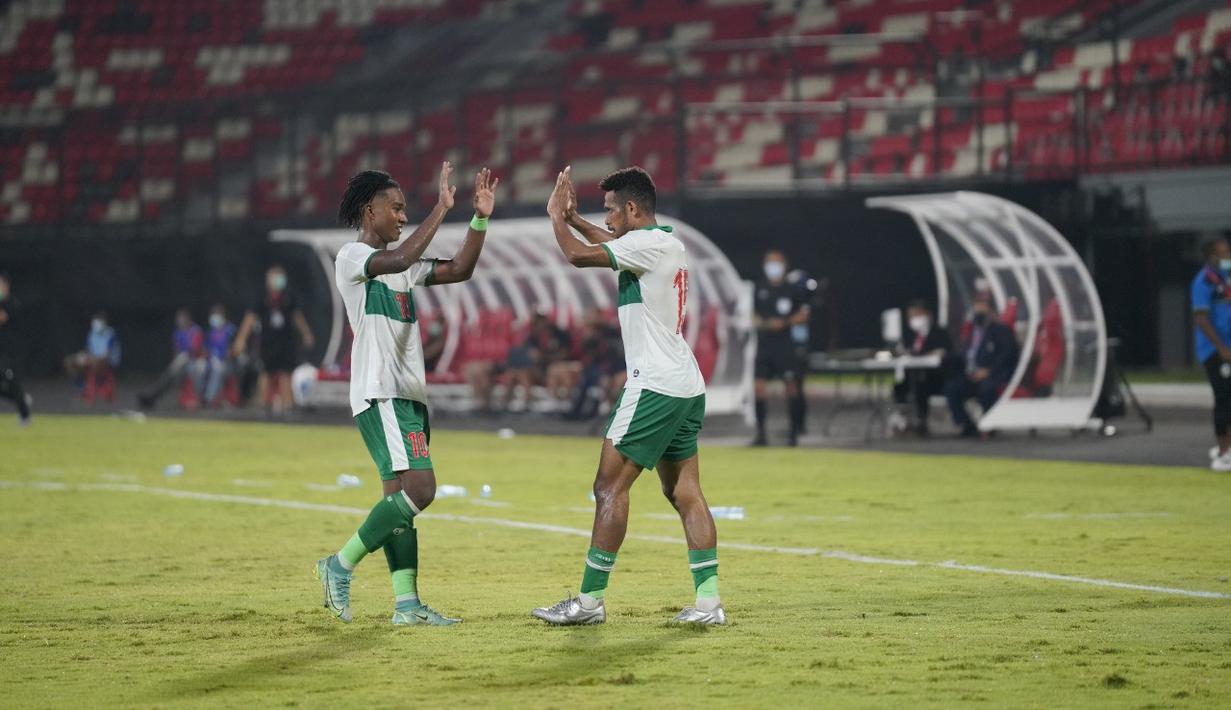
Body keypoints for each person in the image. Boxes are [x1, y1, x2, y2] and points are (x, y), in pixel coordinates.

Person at [532, 165, 724, 626]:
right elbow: (610, 242)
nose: (608, 218)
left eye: (611, 210)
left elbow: (578, 256)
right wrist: (576, 219)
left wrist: (557, 217)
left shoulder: (644, 244)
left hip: (654, 384)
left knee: (608, 487)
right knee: (685, 491)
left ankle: (589, 603)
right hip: (685, 384)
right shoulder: (664, 242)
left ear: (633, 209)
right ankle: (708, 605)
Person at [314, 162, 498, 626]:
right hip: (381, 391)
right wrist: (441, 208)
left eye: (404, 210)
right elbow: (396, 260)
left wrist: (478, 219)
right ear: (368, 211)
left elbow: (460, 269)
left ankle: (407, 605)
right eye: (395, 209)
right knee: (421, 489)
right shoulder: (352, 258)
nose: (402, 216)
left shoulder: (403, 267)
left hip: (408, 394)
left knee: (399, 500)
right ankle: (339, 564)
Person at [234, 265, 315, 415]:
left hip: (286, 342)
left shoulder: (289, 297)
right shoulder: (262, 298)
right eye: (275, 276)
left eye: (280, 276)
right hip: (268, 343)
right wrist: (241, 339)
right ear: (268, 280)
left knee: (286, 373)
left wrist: (306, 333)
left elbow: (297, 317)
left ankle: (287, 406)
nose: (278, 280)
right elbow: (249, 319)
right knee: (266, 373)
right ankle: (264, 405)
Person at [752, 250, 811, 446]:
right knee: (759, 387)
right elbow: (753, 314)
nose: (773, 267)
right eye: (769, 262)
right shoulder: (760, 288)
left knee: (791, 386)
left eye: (776, 262)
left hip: (785, 345)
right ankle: (761, 434)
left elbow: (804, 314)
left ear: (784, 265)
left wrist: (784, 322)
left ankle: (793, 433)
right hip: (764, 344)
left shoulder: (792, 289)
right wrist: (763, 323)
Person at [943, 292, 1018, 437]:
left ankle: (989, 424)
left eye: (983, 305)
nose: (979, 309)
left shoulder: (1001, 330)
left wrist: (988, 370)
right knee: (952, 387)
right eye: (977, 305)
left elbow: (1007, 356)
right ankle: (965, 424)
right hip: (970, 374)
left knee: (987, 388)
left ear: (991, 309)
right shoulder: (972, 331)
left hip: (992, 374)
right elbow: (963, 354)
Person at [1192, 237, 1231, 472]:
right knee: (1224, 398)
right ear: (1212, 256)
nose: (1228, 257)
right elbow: (1202, 319)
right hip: (1214, 350)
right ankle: (1224, 453)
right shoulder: (1203, 281)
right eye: (1224, 253)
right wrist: (1221, 348)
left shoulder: (1226, 279)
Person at [892, 299, 951, 435]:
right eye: (911, 316)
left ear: (927, 314)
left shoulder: (940, 333)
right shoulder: (910, 335)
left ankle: (920, 421)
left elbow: (945, 353)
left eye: (917, 315)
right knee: (899, 385)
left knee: (920, 385)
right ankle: (902, 418)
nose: (914, 319)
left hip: (935, 378)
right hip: (911, 375)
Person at [137, 308, 208, 410]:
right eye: (178, 319)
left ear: (187, 319)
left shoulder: (196, 331)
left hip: (196, 361)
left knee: (183, 369)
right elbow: (176, 350)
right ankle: (152, 397)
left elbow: (196, 350)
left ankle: (202, 400)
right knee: (170, 375)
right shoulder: (178, 333)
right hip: (183, 364)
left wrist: (183, 357)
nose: (179, 321)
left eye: (181, 319)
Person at [64, 311, 121, 404]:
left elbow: (107, 354)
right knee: (70, 361)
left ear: (105, 322)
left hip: (109, 362)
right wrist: (82, 356)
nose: (96, 324)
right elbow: (88, 350)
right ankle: (81, 388)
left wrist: (91, 359)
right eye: (95, 321)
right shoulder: (91, 333)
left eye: (99, 321)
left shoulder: (111, 333)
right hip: (93, 359)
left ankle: (94, 391)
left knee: (96, 363)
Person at [0, 273, 32, 424]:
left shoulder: (12, 303)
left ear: (6, 286)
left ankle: (25, 416)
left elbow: (2, 318)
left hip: (10, 351)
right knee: (10, 387)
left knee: (11, 380)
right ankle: (21, 399)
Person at [202, 304, 237, 407]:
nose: (215, 318)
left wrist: (227, 355)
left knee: (219, 370)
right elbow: (205, 350)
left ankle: (209, 399)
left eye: (218, 315)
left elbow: (233, 350)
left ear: (223, 316)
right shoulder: (210, 332)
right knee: (199, 368)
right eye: (213, 315)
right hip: (211, 362)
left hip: (229, 363)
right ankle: (201, 397)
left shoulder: (230, 330)